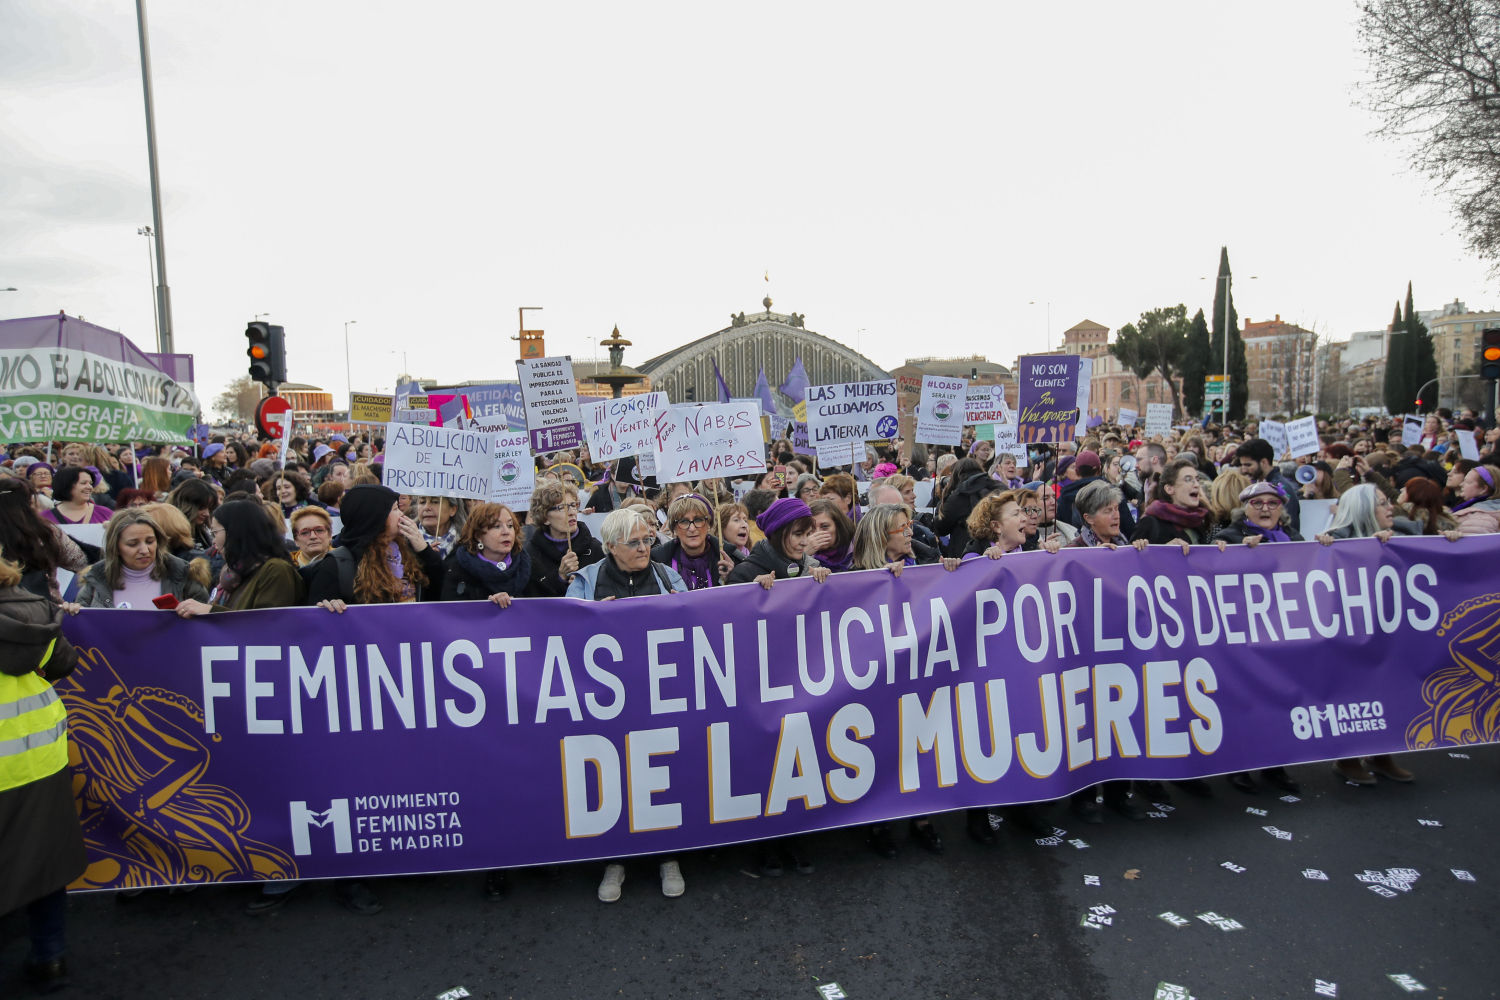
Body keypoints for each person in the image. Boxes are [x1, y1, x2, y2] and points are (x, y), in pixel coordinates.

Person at [564, 508, 689, 902]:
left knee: (662, 773)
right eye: (633, 542)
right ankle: (615, 859)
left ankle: (668, 855)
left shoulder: (667, 577)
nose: (643, 548)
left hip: (659, 693)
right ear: (611, 546)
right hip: (608, 701)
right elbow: (563, 632)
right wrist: (593, 620)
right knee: (614, 778)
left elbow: (696, 621)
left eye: (647, 540)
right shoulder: (586, 581)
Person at [1316, 482, 1459, 786]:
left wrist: (1451, 543)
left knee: (1390, 691)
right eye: (1382, 503)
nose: (1390, 507)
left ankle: (1383, 755)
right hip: (1353, 637)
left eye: (1387, 501)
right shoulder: (1335, 541)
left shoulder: (1407, 534)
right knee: (1355, 695)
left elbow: (1435, 564)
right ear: (1365, 509)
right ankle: (1348, 758)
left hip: (1393, 636)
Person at [849, 503, 957, 857]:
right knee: (883, 746)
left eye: (910, 525)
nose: (911, 532)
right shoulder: (854, 577)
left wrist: (951, 569)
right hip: (879, 679)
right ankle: (877, 822)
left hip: (919, 675)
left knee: (921, 744)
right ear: (882, 537)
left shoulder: (924, 563)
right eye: (902, 528)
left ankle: (922, 818)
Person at [0, 550, 84, 993]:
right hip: (38, 754)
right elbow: (62, 663)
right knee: (43, 858)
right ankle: (49, 954)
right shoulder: (36, 609)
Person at [1210, 482, 1307, 795]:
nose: (1266, 508)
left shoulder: (1294, 539)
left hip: (1283, 634)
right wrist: (1237, 554)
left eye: (1272, 503)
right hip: (1244, 637)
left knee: (1279, 700)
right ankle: (1238, 766)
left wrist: (1325, 546)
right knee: (1244, 701)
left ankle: (1274, 764)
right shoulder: (1230, 537)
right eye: (1258, 503)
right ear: (1245, 507)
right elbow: (1212, 571)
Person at [173, 500, 305, 614]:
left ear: (235, 532)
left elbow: (268, 624)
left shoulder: (276, 570)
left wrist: (210, 612)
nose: (213, 542)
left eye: (215, 533)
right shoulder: (232, 573)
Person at [71, 509, 211, 609]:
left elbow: (207, 624)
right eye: (133, 544)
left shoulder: (183, 574)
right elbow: (83, 627)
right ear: (116, 547)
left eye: (150, 541)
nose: (144, 550)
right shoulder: (96, 577)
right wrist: (72, 612)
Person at [0, 477, 89, 603]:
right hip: (43, 609)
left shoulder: (46, 531)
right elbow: (80, 562)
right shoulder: (46, 531)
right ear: (27, 503)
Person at [524, 481, 604, 597]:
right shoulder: (530, 554)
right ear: (545, 517)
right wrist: (560, 578)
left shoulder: (596, 548)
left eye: (573, 505)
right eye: (562, 507)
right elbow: (530, 598)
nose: (571, 512)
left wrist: (583, 584)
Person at [441, 502, 530, 606]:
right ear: (478, 535)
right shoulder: (458, 568)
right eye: (497, 526)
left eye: (510, 526)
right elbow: (452, 614)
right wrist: (487, 605)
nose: (506, 532)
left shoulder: (526, 564)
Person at [650, 494, 735, 590]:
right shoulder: (657, 562)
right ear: (674, 529)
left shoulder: (730, 558)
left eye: (698, 520)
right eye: (684, 521)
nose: (692, 528)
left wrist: (732, 578)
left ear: (709, 525)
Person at [1131, 458, 1212, 551]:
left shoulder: (1197, 520)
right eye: (1188, 479)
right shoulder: (1150, 523)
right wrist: (1165, 550)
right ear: (1169, 489)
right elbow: (1131, 560)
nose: (1196, 485)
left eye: (1197, 479)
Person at [932, 458, 997, 557]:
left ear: (956, 474)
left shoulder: (959, 496)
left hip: (963, 553)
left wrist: (942, 501)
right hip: (996, 549)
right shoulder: (996, 487)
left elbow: (941, 527)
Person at [1236, 439, 1302, 532]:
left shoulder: (1281, 488)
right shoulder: (1257, 484)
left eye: (1248, 465)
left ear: (1263, 462)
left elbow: (1289, 526)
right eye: (1242, 465)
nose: (1244, 470)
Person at [39, 466, 114, 525]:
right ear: (66, 485)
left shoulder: (105, 513)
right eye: (83, 483)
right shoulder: (44, 518)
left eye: (90, 483)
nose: (90, 487)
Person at [167, 477, 219, 551]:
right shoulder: (173, 535)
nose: (207, 514)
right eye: (201, 508)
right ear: (186, 506)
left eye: (209, 509)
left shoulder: (202, 531)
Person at [806, 497, 856, 573]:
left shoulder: (856, 549)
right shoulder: (802, 552)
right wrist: (803, 556)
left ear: (838, 526)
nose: (817, 532)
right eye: (812, 528)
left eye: (825, 526)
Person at [1450, 464, 1500, 535]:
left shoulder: (1479, 517)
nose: (1461, 484)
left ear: (1483, 489)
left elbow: (1470, 544)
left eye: (1467, 482)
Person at [290, 506, 334, 584]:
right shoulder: (288, 567)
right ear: (296, 540)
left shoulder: (346, 561)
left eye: (319, 530)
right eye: (305, 532)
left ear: (330, 535)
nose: (313, 536)